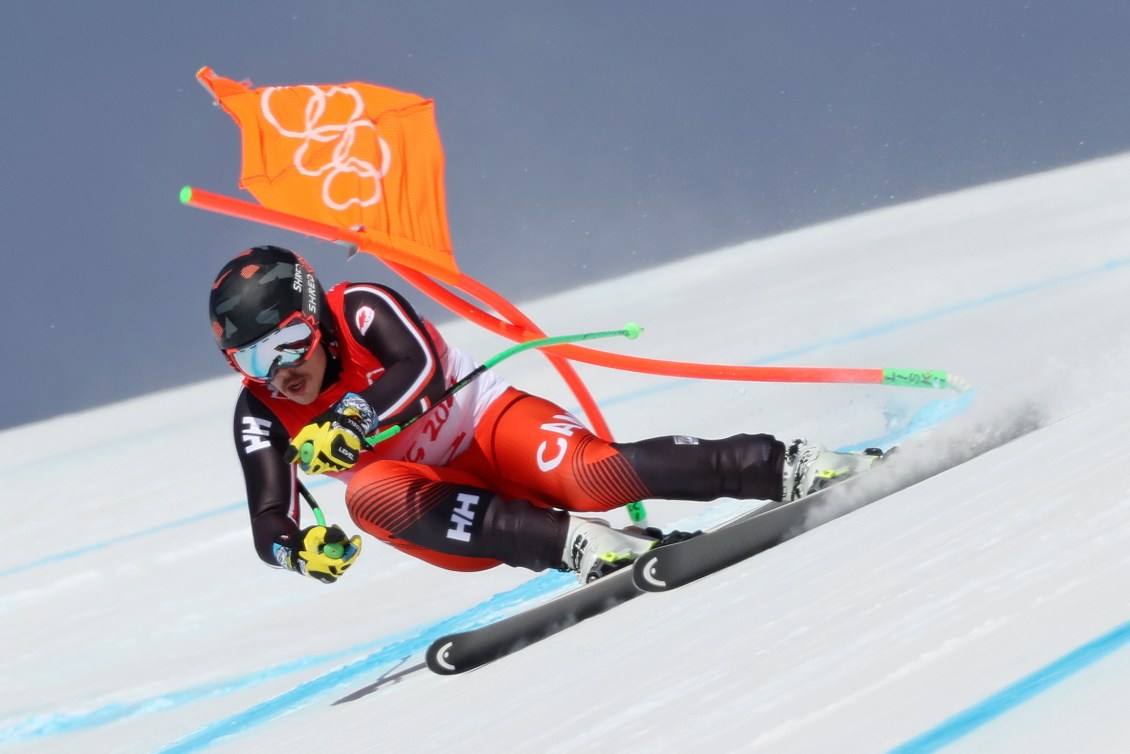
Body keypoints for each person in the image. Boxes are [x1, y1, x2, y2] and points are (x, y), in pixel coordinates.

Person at [209, 245, 881, 585]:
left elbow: (419, 370)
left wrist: (353, 414)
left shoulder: (362, 306)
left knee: (591, 478)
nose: (280, 373)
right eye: (252, 361)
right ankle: (578, 545)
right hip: (441, 508)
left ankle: (786, 464)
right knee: (366, 493)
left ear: (318, 317)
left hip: (488, 428)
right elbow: (270, 516)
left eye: (288, 343)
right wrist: (298, 552)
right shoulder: (262, 410)